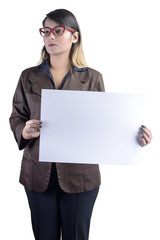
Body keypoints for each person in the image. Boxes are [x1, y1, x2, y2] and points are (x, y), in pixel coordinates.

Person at [9, 9, 152, 240]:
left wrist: (133, 138)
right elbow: (16, 116)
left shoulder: (92, 78)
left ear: (74, 36)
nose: (50, 37)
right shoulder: (28, 76)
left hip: (80, 177)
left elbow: (104, 126)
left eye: (57, 31)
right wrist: (23, 130)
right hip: (37, 174)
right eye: (46, 31)